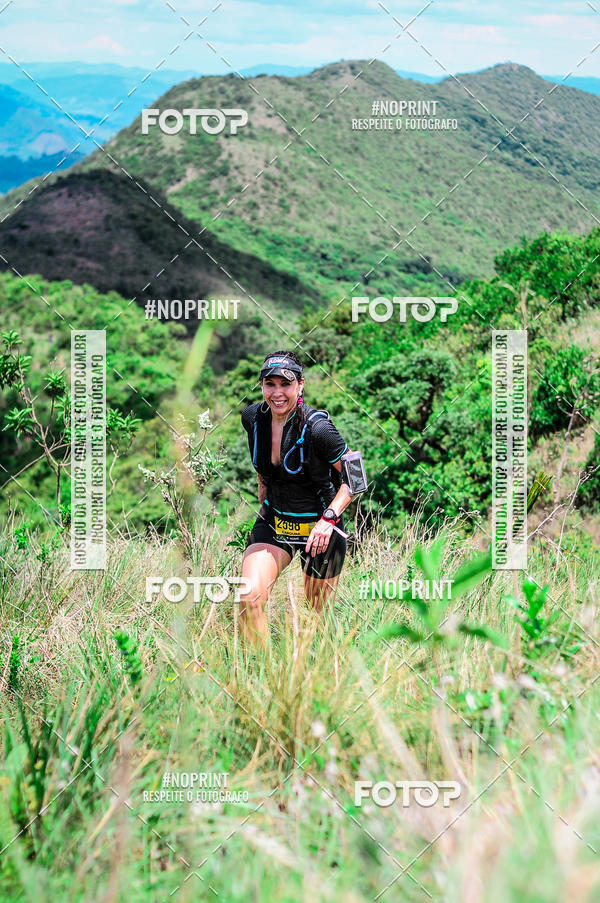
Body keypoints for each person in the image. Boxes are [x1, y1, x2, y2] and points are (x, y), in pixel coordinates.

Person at [238, 349, 360, 647]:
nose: (277, 393)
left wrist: (328, 520)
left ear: (300, 385)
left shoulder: (318, 428)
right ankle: (262, 677)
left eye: (286, 384)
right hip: (275, 521)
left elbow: (356, 478)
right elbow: (265, 464)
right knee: (249, 597)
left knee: (317, 618)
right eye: (270, 384)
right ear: (262, 385)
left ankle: (321, 677)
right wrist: (264, 490)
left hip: (318, 530)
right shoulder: (252, 417)